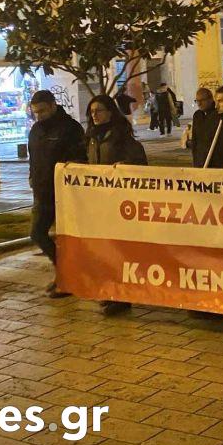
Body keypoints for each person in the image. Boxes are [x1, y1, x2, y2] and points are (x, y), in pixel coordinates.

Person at [84, 94, 147, 317]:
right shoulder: (91, 138)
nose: (95, 115)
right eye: (92, 112)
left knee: (118, 252)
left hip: (120, 204)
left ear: (110, 112)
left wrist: (125, 167)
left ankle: (121, 296)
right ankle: (109, 291)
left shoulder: (122, 138)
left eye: (99, 111)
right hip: (100, 202)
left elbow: (141, 166)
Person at [27, 90, 87, 299]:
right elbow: (33, 158)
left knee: (66, 240)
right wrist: (32, 177)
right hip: (42, 192)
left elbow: (80, 160)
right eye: (35, 112)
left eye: (42, 111)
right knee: (37, 233)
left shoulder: (69, 129)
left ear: (53, 106)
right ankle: (65, 273)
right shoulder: (35, 131)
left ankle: (67, 278)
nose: (39, 116)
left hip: (65, 193)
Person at [187, 87, 219, 168]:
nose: (199, 103)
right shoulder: (197, 115)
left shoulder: (218, 115)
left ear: (211, 99)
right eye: (197, 101)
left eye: (202, 100)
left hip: (214, 159)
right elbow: (195, 138)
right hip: (200, 159)